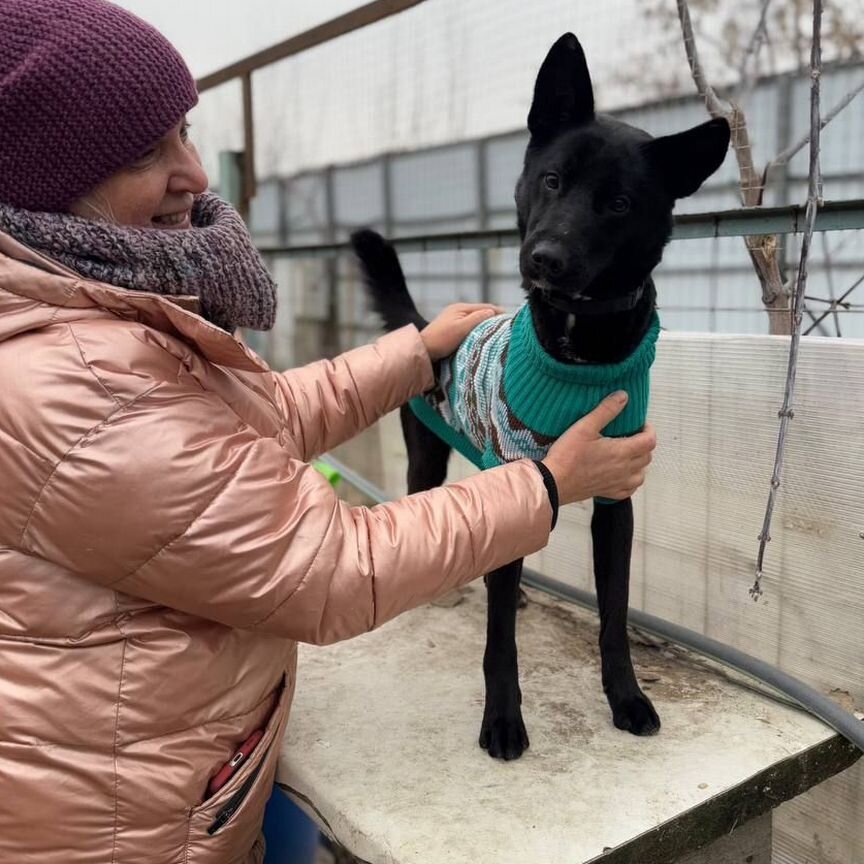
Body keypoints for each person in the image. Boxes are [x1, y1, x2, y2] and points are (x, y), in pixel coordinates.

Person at [0, 1, 656, 861]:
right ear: (50, 184)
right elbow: (329, 570)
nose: (195, 173)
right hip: (128, 825)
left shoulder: (98, 318)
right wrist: (543, 483)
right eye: (145, 151)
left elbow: (255, 423)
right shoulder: (73, 379)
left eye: (185, 133)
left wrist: (415, 353)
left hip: (164, 763)